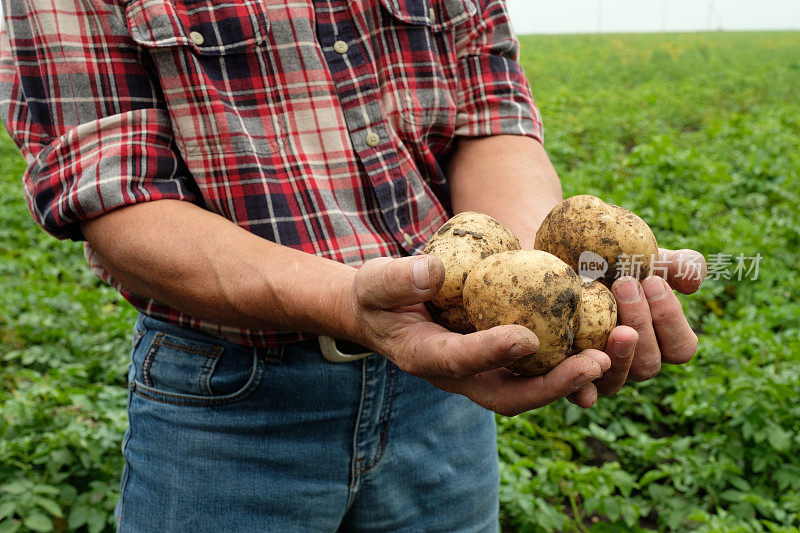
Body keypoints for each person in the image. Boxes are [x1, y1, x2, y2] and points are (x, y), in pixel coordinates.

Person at [0, 0, 706, 530]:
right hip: (227, 409)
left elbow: (490, 113)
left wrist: (532, 269)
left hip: (444, 393)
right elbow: (118, 197)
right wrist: (348, 300)